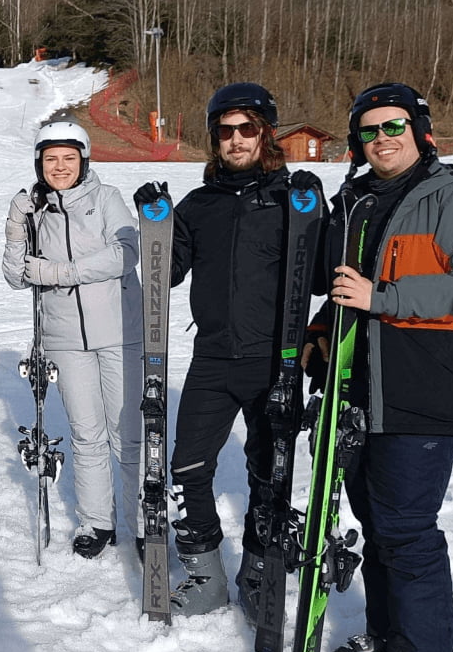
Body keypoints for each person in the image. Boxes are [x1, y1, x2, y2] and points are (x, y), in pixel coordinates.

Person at [307, 83, 453, 652]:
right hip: (362, 389)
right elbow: (345, 288)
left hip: (426, 388)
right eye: (369, 130)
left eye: (393, 126)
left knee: (407, 526)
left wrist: (384, 298)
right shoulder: (356, 200)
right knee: (374, 518)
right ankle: (389, 633)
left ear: (420, 131)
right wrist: (321, 332)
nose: (382, 139)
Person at [135, 82, 321, 619]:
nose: (235, 140)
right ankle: (206, 576)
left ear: (266, 134)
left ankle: (259, 574)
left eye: (246, 129)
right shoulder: (200, 205)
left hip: (274, 360)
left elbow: (316, 278)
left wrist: (316, 218)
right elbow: (166, 274)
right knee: (188, 465)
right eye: (225, 131)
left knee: (269, 471)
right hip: (213, 358)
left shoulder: (291, 199)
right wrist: (156, 226)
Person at [3, 119, 142, 558]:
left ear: (83, 160)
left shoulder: (106, 198)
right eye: (51, 159)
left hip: (120, 333)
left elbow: (127, 252)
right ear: (39, 163)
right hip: (63, 338)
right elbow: (16, 277)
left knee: (128, 434)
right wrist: (15, 225)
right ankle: (97, 521)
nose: (60, 167)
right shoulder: (36, 211)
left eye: (68, 158)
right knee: (87, 434)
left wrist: (62, 272)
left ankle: (143, 522)